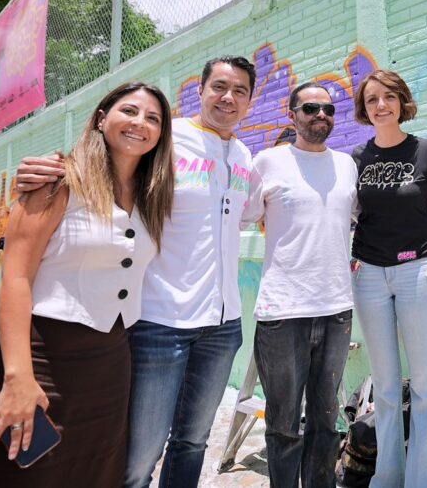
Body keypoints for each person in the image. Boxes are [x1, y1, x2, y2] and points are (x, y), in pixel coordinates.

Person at [15, 56, 257, 488]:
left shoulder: (244, 156)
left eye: (240, 90)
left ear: (251, 101)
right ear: (199, 91)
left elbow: (245, 216)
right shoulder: (166, 140)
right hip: (159, 321)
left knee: (193, 442)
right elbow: (106, 165)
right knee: (140, 455)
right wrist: (48, 167)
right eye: (219, 86)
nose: (228, 97)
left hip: (223, 327)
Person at [0, 82, 176, 486]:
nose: (140, 122)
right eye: (130, 111)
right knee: (12, 472)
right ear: (102, 118)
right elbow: (16, 276)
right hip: (36, 354)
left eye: (153, 118)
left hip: (107, 366)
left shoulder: (152, 197)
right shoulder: (57, 180)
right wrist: (19, 375)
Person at [350, 70, 427, 488]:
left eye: (389, 97)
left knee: (426, 386)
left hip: (416, 273)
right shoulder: (356, 159)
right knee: (383, 387)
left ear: (402, 101)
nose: (381, 105)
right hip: (369, 278)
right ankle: (387, 478)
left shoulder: (426, 151)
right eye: (372, 100)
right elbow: (345, 218)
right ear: (364, 109)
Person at [243, 81, 358, 488]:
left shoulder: (347, 165)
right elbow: (240, 216)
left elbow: (354, 220)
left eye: (328, 110)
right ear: (292, 115)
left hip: (336, 311)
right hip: (283, 314)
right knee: (284, 425)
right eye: (310, 108)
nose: (320, 116)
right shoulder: (268, 162)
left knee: (326, 423)